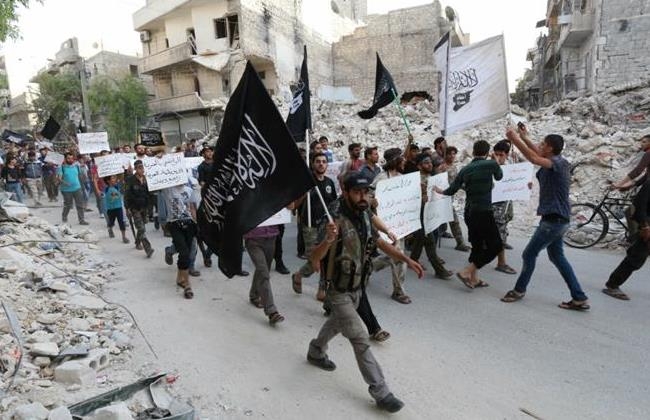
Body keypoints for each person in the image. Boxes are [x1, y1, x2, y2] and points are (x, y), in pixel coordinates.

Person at [306, 172, 423, 413]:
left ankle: (316, 351)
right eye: (357, 192)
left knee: (336, 324)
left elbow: (378, 242)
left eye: (366, 192)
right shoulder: (333, 218)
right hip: (338, 290)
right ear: (346, 192)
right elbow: (315, 258)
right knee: (359, 338)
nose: (363, 197)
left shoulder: (365, 214)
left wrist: (405, 259)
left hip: (358, 286)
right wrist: (328, 240)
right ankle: (381, 392)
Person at [501, 125, 590, 310]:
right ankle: (579, 297)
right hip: (557, 219)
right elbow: (537, 153)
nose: (539, 145)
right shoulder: (555, 160)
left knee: (529, 254)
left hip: (553, 221)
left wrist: (515, 139)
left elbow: (534, 158)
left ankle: (519, 290)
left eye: (543, 144)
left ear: (550, 148)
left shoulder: (558, 163)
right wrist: (524, 137)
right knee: (557, 257)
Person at [437, 140, 503, 289]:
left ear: (473, 152)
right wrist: (496, 162)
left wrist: (440, 191)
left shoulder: (465, 169)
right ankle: (467, 271)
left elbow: (452, 190)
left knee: (477, 245)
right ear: (487, 153)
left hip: (469, 212)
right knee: (496, 246)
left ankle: (474, 279)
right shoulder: (491, 164)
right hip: (484, 211)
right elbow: (499, 177)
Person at [291, 153, 338, 301]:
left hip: (326, 226)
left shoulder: (330, 183)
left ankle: (321, 290)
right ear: (313, 164)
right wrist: (304, 194)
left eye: (324, 162)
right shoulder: (306, 182)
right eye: (318, 161)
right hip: (310, 225)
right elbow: (294, 206)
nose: (321, 164)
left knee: (326, 258)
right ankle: (299, 275)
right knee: (314, 260)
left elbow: (334, 205)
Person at [370, 147, 412, 303]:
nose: (405, 161)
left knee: (394, 255)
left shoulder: (402, 179)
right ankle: (398, 292)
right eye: (402, 158)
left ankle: (368, 267)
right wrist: (372, 201)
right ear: (395, 160)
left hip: (398, 225)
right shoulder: (381, 179)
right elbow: (367, 197)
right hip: (383, 225)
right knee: (399, 256)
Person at [602, 178, 650, 300]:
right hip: (647, 228)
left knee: (636, 256)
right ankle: (613, 285)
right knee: (636, 258)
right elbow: (639, 205)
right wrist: (645, 226)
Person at [410, 153, 453, 279]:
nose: (429, 165)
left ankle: (413, 260)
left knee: (420, 239)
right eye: (426, 163)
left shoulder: (432, 177)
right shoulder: (415, 180)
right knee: (429, 241)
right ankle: (439, 270)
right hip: (420, 215)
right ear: (419, 166)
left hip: (430, 214)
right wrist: (422, 196)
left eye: (430, 162)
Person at [158, 183, 199, 299]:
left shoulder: (189, 190)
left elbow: (192, 208)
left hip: (189, 224)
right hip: (175, 224)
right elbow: (155, 184)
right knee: (184, 252)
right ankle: (187, 284)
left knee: (187, 253)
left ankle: (179, 278)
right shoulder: (168, 189)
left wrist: (197, 223)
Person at [245, 222, 287, 325]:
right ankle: (271, 311)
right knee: (263, 273)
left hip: (271, 237)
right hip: (253, 239)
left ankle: (254, 294)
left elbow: (288, 211)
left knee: (263, 270)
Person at [491, 140, 517, 274]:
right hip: (492, 207)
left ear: (506, 155)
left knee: (501, 232)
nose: (498, 157)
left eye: (501, 155)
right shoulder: (489, 167)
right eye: (496, 154)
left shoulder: (509, 167)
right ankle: (501, 263)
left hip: (504, 206)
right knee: (498, 235)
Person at [442, 145, 471, 251]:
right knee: (453, 220)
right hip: (442, 196)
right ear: (445, 155)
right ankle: (460, 242)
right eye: (450, 154)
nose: (452, 156)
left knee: (453, 220)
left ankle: (460, 243)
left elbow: (457, 181)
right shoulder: (442, 167)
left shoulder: (454, 167)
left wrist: (467, 187)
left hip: (450, 196)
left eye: (454, 154)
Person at [125, 160, 154, 257]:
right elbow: (126, 195)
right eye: (139, 168)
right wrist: (127, 209)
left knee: (142, 227)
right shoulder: (130, 180)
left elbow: (149, 193)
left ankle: (137, 242)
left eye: (142, 167)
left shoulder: (146, 179)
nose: (142, 169)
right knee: (141, 228)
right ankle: (148, 249)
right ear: (136, 169)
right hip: (134, 208)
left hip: (144, 207)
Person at [57, 152, 89, 225]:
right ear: (65, 159)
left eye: (72, 158)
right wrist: (64, 182)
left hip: (77, 188)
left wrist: (82, 186)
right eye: (68, 158)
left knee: (80, 205)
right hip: (66, 190)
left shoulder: (76, 166)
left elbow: (80, 176)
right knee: (68, 205)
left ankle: (81, 220)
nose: (71, 160)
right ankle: (64, 216)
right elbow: (59, 178)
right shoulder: (61, 167)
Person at [103, 175, 130, 244]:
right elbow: (104, 194)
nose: (115, 179)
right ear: (108, 181)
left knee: (121, 222)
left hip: (119, 207)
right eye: (112, 178)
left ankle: (124, 237)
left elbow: (121, 179)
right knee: (111, 222)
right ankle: (110, 228)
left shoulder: (116, 186)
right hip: (110, 209)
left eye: (115, 178)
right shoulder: (106, 189)